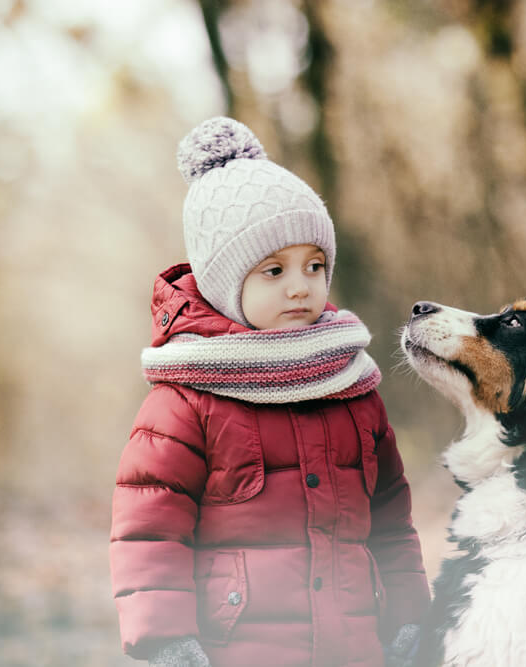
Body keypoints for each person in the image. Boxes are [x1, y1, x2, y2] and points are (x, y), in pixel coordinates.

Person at [110, 117, 429, 667]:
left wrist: (408, 616)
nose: (300, 285)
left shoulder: (352, 387)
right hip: (240, 649)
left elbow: (392, 522)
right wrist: (167, 639)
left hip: (354, 646)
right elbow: (149, 530)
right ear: (225, 286)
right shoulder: (186, 399)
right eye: (274, 270)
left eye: (314, 265)